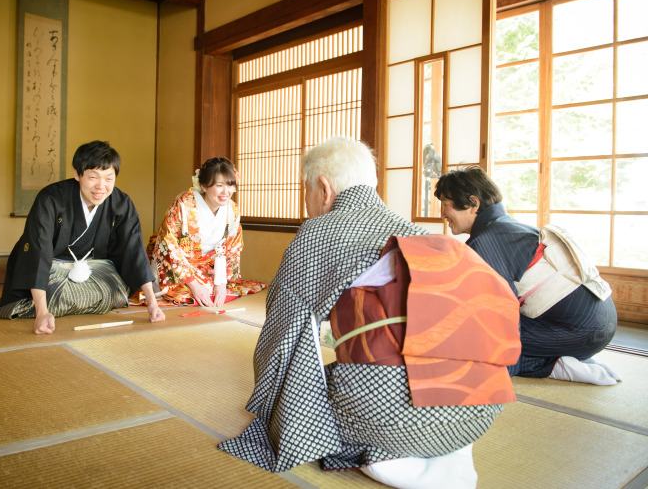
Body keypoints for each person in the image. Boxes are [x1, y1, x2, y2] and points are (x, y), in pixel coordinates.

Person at [219, 138, 518, 488]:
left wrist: (271, 406)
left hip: (393, 417)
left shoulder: (318, 233)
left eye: (306, 190)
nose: (306, 201)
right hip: (480, 411)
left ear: (324, 188)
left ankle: (392, 454)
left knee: (303, 402)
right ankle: (443, 451)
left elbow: (282, 336)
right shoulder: (416, 233)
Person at [434, 166, 621, 386]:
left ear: (473, 203)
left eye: (446, 204)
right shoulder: (508, 227)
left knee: (469, 337)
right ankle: (566, 356)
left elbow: (501, 314)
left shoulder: (486, 240)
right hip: (599, 322)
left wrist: (503, 368)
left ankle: (555, 366)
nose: (443, 213)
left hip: (582, 332)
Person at [0, 140, 165, 333]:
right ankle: (46, 304)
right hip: (50, 270)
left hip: (92, 270)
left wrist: (152, 303)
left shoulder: (121, 203)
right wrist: (41, 313)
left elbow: (134, 250)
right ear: (77, 174)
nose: (101, 186)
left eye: (109, 178)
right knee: (45, 294)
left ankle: (63, 303)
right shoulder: (51, 198)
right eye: (93, 177)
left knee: (115, 293)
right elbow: (39, 252)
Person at [147, 157, 266, 307]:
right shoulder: (183, 205)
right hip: (178, 266)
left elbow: (232, 249)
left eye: (230, 185)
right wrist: (194, 285)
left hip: (208, 268)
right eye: (219, 185)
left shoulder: (232, 210)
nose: (226, 192)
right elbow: (168, 245)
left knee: (220, 292)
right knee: (182, 294)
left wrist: (221, 281)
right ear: (203, 186)